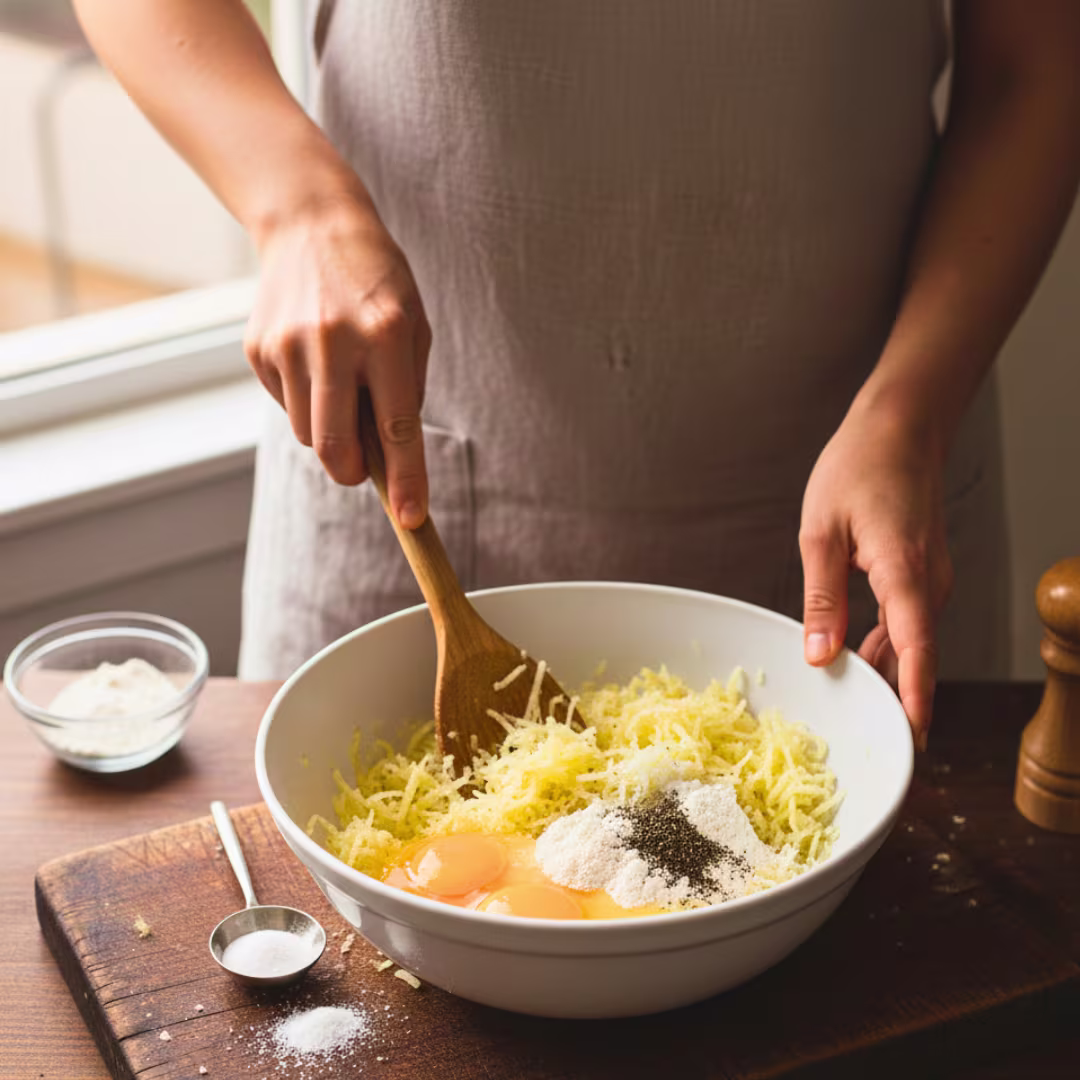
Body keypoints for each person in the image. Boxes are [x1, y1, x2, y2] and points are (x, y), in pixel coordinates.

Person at [74, 1, 1080, 749]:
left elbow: (1036, 61)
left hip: (864, 469)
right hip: (408, 464)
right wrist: (293, 206)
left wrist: (911, 406)